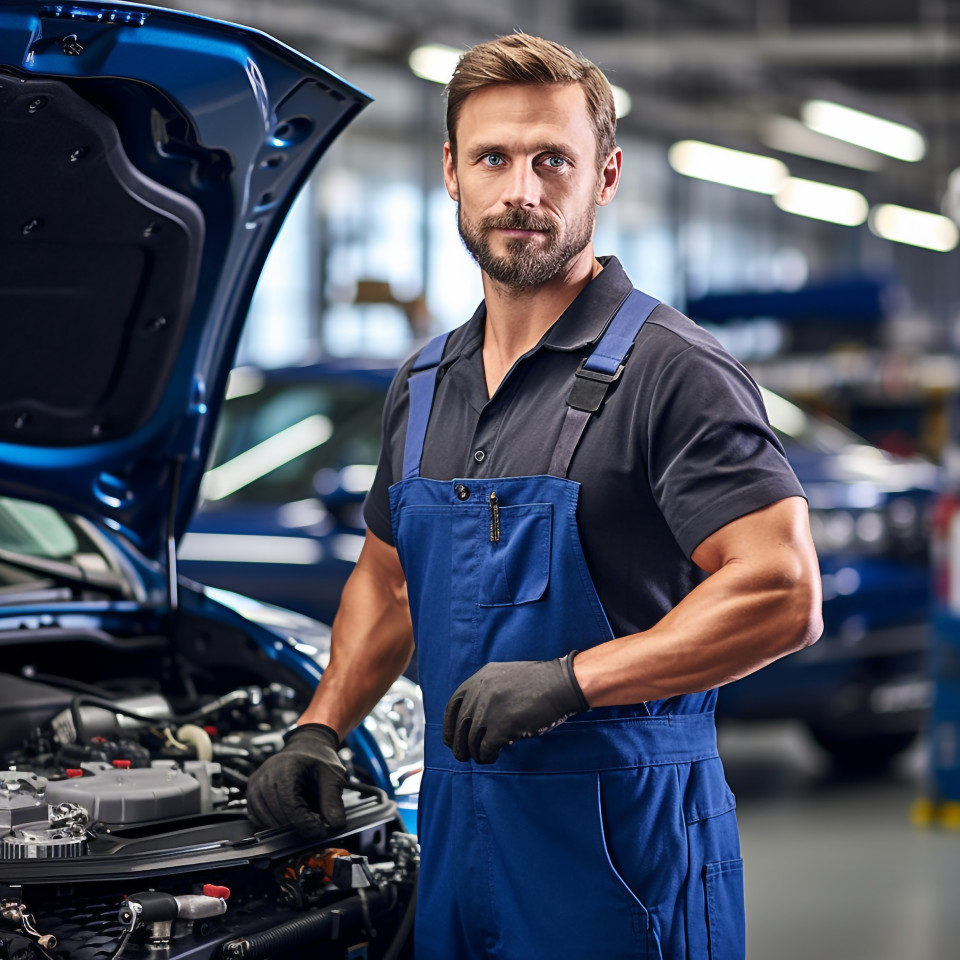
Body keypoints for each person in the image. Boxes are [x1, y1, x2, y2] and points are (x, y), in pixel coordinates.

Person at [247, 33, 822, 960]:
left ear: (606, 176)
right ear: (451, 173)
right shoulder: (424, 382)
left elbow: (782, 593)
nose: (523, 190)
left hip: (624, 850)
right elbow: (389, 583)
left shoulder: (674, 373)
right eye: (494, 158)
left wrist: (574, 681)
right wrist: (321, 726)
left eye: (553, 159)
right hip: (456, 833)